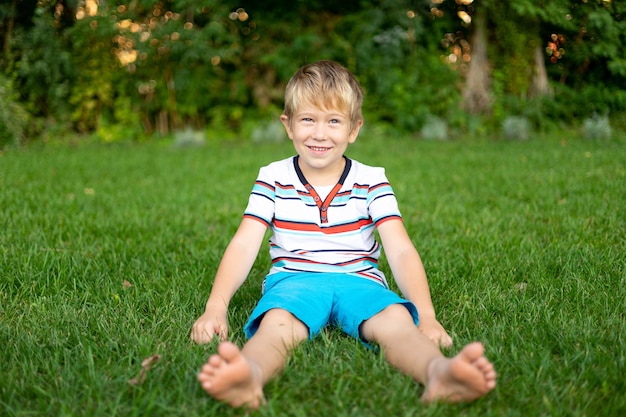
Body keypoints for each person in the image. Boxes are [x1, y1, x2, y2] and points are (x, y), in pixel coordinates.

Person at [190, 60, 496, 408]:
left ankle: (439, 373)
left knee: (395, 321)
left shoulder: (372, 179)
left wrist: (426, 316)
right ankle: (249, 375)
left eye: (334, 121)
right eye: (308, 119)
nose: (320, 133)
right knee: (277, 324)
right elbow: (245, 243)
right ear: (288, 125)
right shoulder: (272, 177)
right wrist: (216, 307)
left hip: (360, 280)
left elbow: (400, 249)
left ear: (354, 129)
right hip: (295, 280)